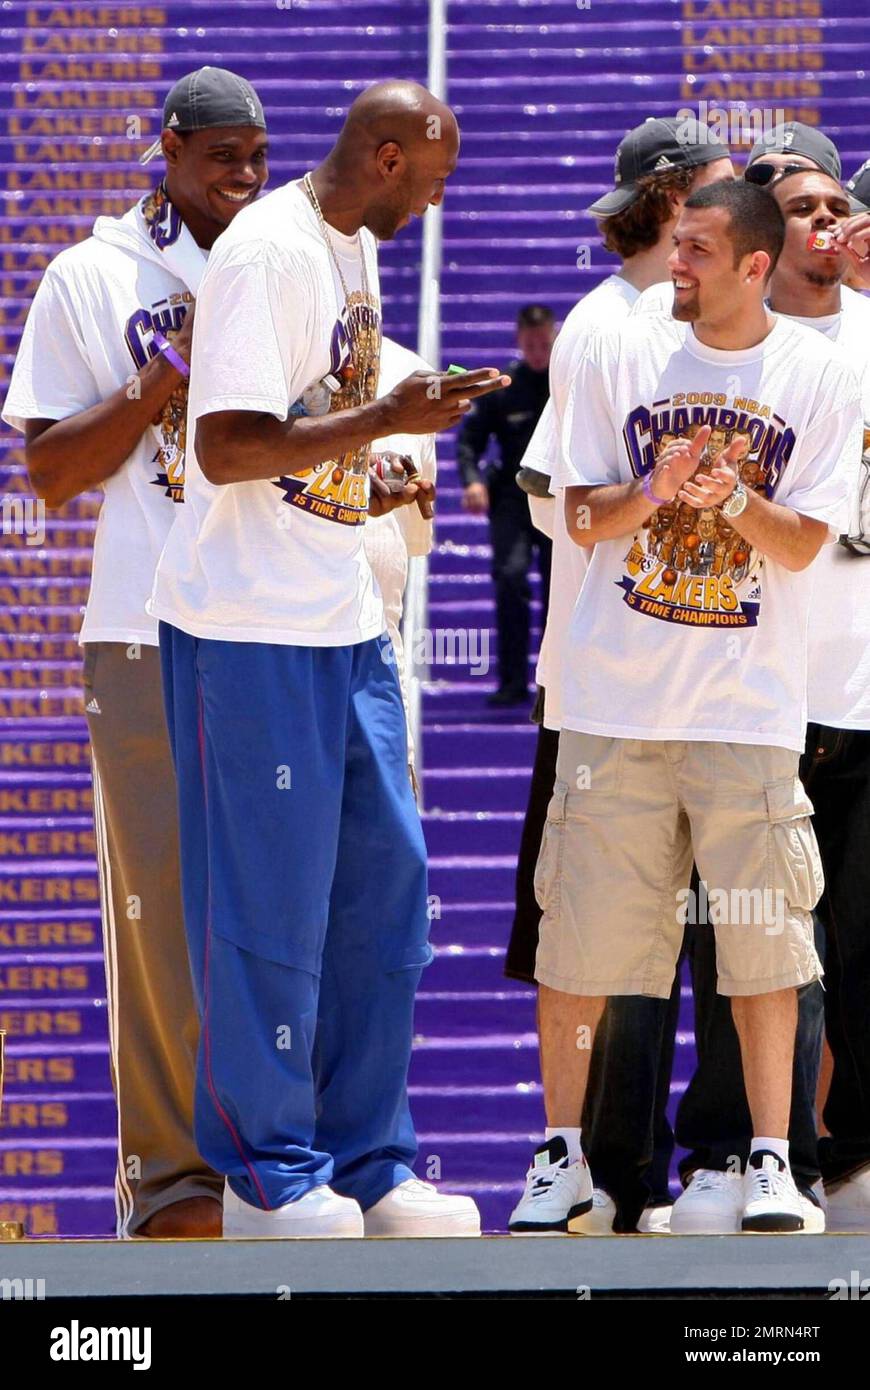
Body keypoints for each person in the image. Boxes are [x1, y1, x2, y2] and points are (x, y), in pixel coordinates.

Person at [149, 80, 510, 1239]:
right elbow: (228, 442)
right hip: (245, 626)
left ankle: (369, 1161)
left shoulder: (349, 242)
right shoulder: (268, 254)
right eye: (442, 181)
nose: (446, 202)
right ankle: (270, 1176)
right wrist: (384, 423)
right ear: (391, 155)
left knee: (382, 894)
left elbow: (321, 426)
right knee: (266, 906)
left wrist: (390, 444)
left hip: (340, 615)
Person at [515, 178, 863, 1237]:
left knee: (763, 945)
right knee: (581, 945)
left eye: (701, 249)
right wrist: (653, 493)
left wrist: (734, 499)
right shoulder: (614, 344)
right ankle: (566, 1158)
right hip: (614, 702)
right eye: (678, 245)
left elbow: (810, 542)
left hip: (751, 709)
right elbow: (572, 513)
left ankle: (769, 1157)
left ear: (754, 265)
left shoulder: (822, 372)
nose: (680, 263)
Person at [1, 66, 270, 1240]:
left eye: (258, 158)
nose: (244, 179)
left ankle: (277, 1168)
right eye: (223, 158)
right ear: (167, 147)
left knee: (277, 907)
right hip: (142, 628)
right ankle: (170, 1185)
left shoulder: (289, 259)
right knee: (157, 914)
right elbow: (50, 470)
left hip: (276, 626)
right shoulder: (92, 272)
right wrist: (167, 373)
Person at [505, 115, 734, 1234]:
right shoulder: (611, 328)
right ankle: (608, 1167)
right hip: (621, 682)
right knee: (610, 942)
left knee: (715, 935)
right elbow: (562, 502)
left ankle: (677, 1166)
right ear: (675, 196)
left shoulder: (717, 320)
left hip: (711, 675)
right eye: (722, 185)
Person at [669, 165, 870, 1234]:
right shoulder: (715, 352)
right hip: (752, 689)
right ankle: (735, 1152)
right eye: (803, 208)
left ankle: (843, 1159)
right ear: (760, 242)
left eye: (839, 204)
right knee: (742, 942)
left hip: (861, 685)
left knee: (856, 945)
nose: (828, 222)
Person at [457, 304, 555, 706]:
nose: (537, 351)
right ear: (519, 341)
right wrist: (472, 481)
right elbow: (468, 441)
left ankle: (554, 687)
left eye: (544, 344)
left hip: (557, 499)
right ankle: (513, 681)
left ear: (554, 339)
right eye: (530, 344)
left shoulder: (566, 383)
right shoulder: (504, 387)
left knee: (560, 591)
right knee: (511, 578)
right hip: (512, 500)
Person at [365, 334, 437, 789]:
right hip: (276, 646)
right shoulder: (267, 358)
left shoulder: (413, 373)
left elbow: (409, 539)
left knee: (388, 852)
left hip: (375, 654)